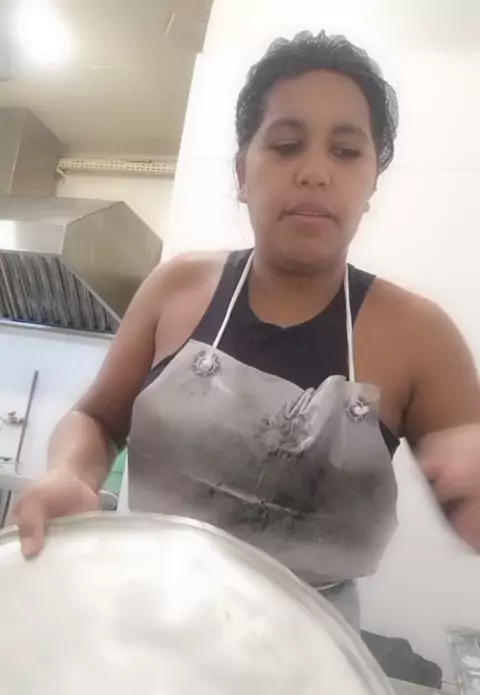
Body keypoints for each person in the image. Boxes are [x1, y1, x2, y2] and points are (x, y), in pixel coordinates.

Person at [12, 31, 480, 626]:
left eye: (345, 151)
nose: (315, 172)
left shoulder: (419, 336)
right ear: (242, 171)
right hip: (143, 615)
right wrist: (70, 473)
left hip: (305, 650)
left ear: (372, 183)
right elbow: (98, 419)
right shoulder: (176, 288)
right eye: (286, 145)